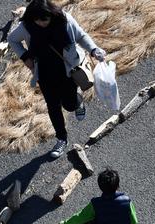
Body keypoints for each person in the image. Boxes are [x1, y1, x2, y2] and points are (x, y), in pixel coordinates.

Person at [7, 0, 106, 159]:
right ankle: (61, 138)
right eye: (36, 20)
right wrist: (25, 57)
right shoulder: (27, 26)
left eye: (44, 20)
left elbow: (81, 35)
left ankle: (78, 102)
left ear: (51, 15)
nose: (40, 23)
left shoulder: (64, 20)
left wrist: (94, 49)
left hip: (67, 71)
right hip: (45, 73)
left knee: (69, 104)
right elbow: (12, 39)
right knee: (53, 106)